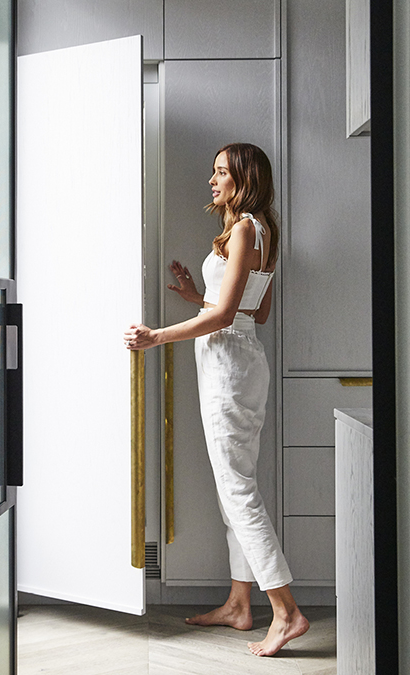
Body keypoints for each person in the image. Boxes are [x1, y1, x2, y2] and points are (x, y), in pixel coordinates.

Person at [122, 142, 309, 657]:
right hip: (239, 361)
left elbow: (228, 317)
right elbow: (256, 310)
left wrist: (157, 336)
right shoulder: (261, 228)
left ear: (243, 178)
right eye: (213, 171)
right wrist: (195, 297)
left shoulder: (245, 227)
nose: (212, 179)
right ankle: (239, 604)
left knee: (237, 491)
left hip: (229, 363)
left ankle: (287, 612)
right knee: (235, 489)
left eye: (221, 172)